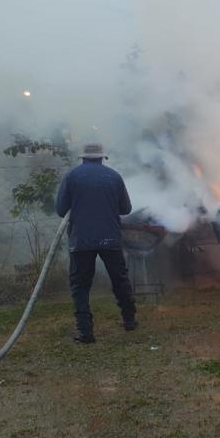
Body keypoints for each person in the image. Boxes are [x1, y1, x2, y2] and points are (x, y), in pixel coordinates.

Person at [55, 142, 137, 344]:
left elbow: (60, 210)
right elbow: (126, 209)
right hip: (110, 238)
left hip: (81, 240)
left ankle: (85, 331)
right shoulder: (114, 177)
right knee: (120, 280)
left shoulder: (71, 176)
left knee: (80, 286)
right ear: (102, 157)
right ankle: (129, 320)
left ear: (83, 158)